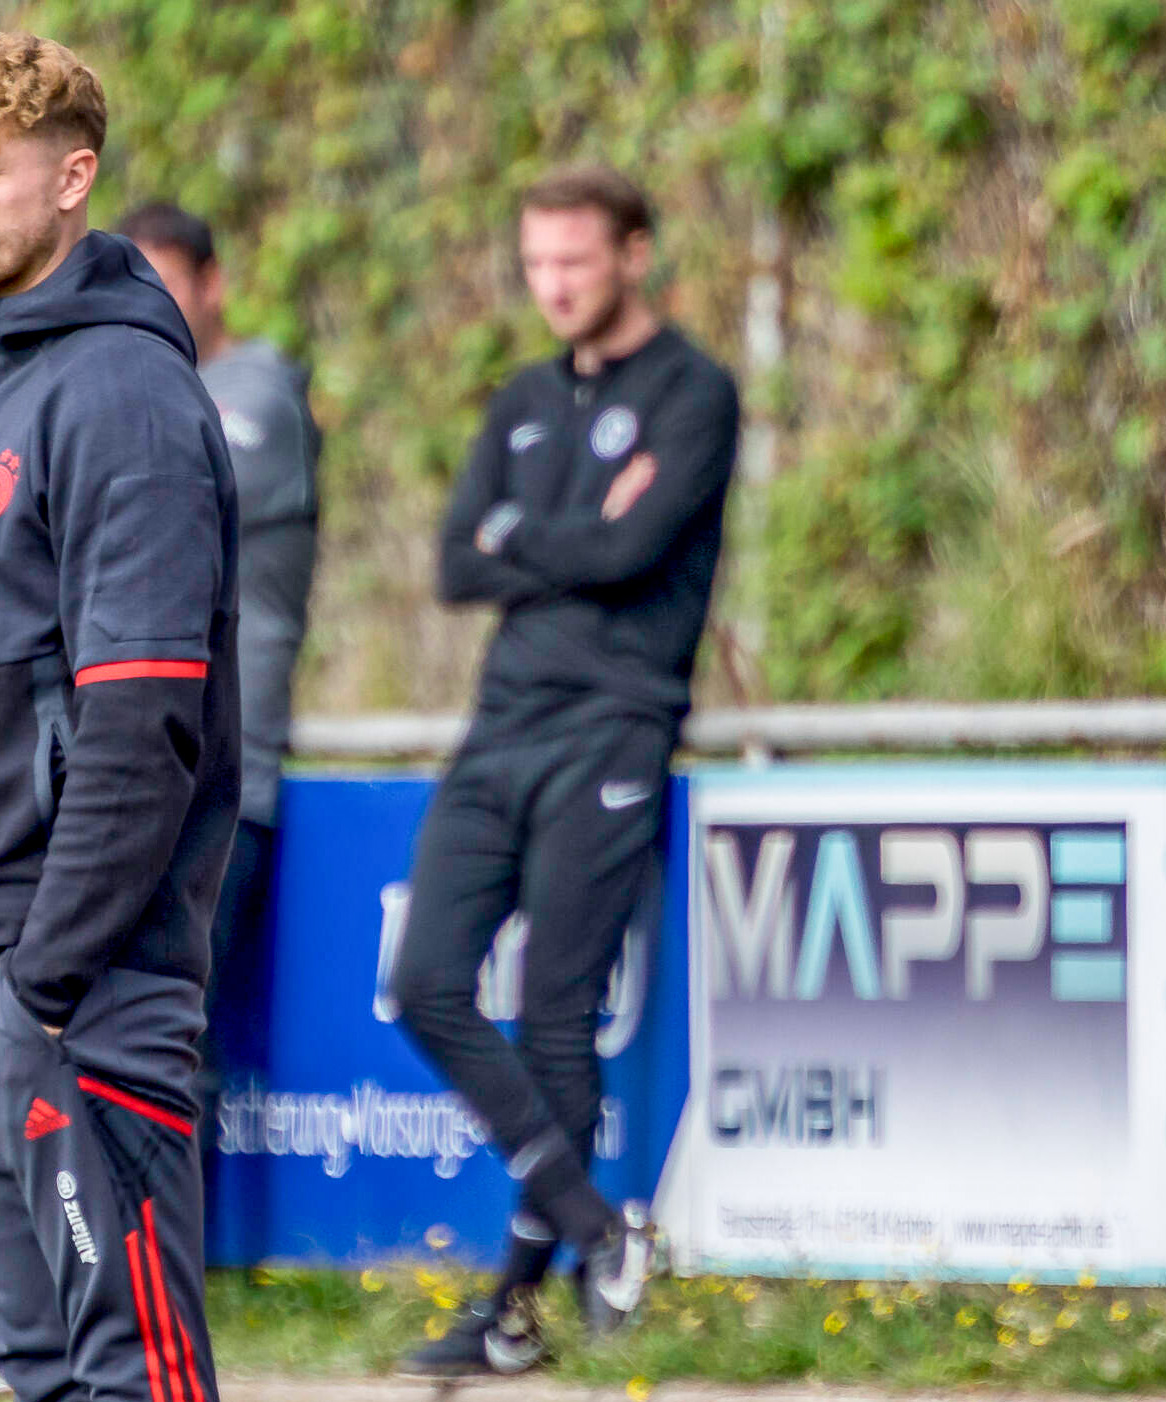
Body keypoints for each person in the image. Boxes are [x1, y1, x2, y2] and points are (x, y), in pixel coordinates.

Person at [0, 35, 239, 1402]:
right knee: (39, 1367)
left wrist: (42, 983)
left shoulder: (125, 395)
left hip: (72, 987)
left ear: (74, 177)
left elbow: (144, 728)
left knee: (129, 1371)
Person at [389, 165, 738, 1375]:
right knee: (423, 979)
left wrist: (524, 539)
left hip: (613, 726)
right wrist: (570, 542)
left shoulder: (693, 391)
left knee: (554, 1019)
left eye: (575, 263)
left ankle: (509, 1317)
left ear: (633, 255)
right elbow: (452, 563)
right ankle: (600, 1229)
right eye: (536, 264)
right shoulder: (523, 398)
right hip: (500, 728)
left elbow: (635, 550)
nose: (553, 286)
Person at [114, 201, 319, 1110]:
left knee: (168, 1040)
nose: (148, 304)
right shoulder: (133, 395)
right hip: (139, 772)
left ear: (213, 285)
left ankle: (170, 1259)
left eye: (166, 282)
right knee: (113, 1037)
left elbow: (151, 510)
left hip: (225, 782)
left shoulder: (257, 398)